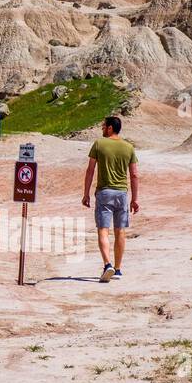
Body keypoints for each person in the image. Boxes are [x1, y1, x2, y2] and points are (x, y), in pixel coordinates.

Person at [81, 115, 139, 282]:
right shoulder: (128, 147)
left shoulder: (99, 144)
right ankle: (118, 269)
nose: (102, 128)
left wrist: (86, 193)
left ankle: (108, 265)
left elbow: (90, 170)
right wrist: (134, 199)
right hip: (122, 193)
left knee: (103, 230)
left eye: (103, 126)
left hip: (104, 193)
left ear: (110, 128)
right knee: (120, 231)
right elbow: (134, 175)